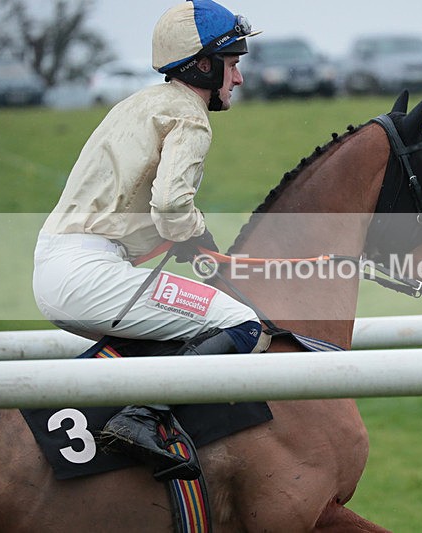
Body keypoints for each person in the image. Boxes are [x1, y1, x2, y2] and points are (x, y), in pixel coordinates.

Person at [32, 0, 263, 479]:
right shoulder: (190, 116)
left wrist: (186, 243)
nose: (237, 78)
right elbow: (172, 206)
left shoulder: (140, 102)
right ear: (204, 64)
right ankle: (140, 416)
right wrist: (199, 238)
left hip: (65, 265)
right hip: (88, 274)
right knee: (242, 323)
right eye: (233, 64)